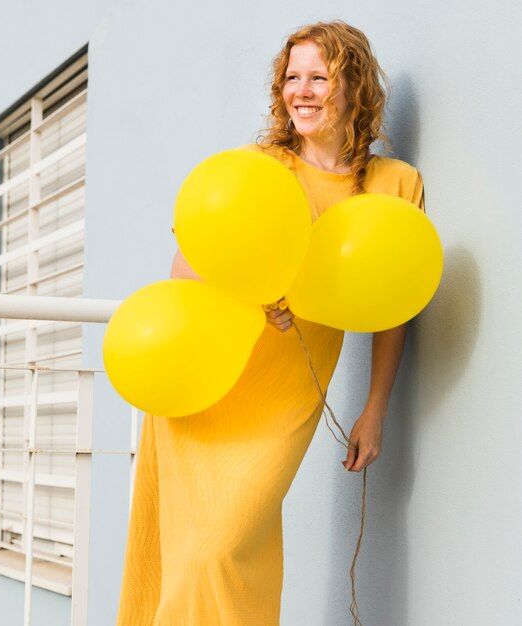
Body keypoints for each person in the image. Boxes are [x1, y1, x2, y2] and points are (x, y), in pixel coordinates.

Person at [115, 20, 424, 626]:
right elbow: (188, 275)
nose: (301, 91)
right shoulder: (258, 168)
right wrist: (255, 298)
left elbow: (395, 307)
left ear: (353, 85)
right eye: (291, 77)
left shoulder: (394, 184)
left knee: (226, 546)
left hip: (285, 392)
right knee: (193, 554)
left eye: (319, 77)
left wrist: (375, 407)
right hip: (206, 383)